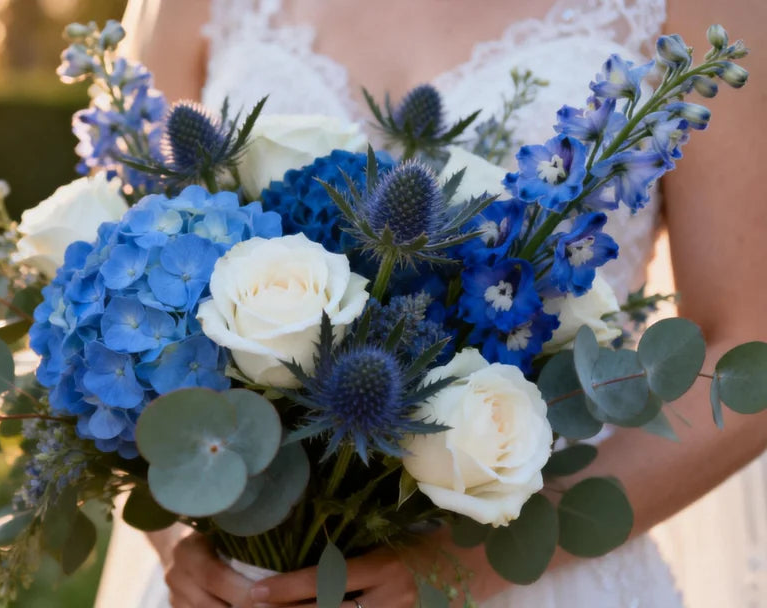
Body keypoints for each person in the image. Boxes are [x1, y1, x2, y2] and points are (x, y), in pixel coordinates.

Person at [94, 0, 767, 606]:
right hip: (238, 575)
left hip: (525, 571)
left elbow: (746, 348)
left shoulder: (707, 16)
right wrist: (185, 535)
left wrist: (466, 563)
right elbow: (131, 289)